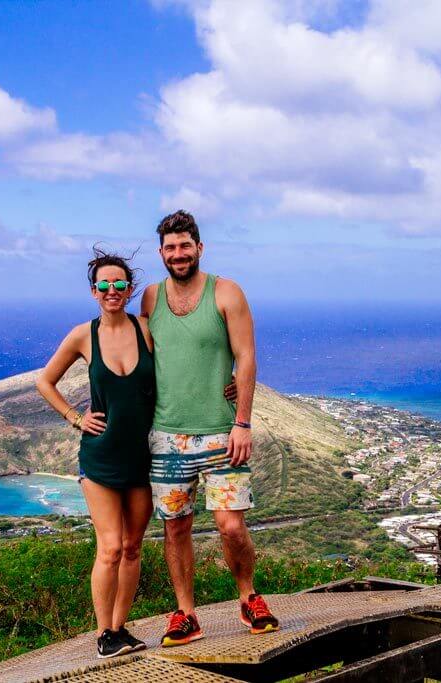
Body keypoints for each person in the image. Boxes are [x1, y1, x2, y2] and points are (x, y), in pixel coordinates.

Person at [140, 210, 280, 647]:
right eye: (170, 247)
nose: (178, 254)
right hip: (166, 434)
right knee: (175, 526)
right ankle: (185, 614)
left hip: (222, 431)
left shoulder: (226, 292)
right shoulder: (150, 298)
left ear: (200, 248)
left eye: (185, 246)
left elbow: (247, 358)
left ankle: (249, 596)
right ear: (161, 252)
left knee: (231, 526)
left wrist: (242, 422)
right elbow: (140, 359)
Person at [36, 249, 155, 659]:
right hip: (100, 457)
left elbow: (182, 367)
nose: (112, 290)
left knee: (134, 545)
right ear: (93, 291)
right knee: (110, 547)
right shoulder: (82, 335)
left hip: (139, 457)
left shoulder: (146, 329)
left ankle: (121, 628)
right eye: (104, 285)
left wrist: (226, 385)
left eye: (119, 284)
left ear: (130, 288)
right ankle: (104, 634)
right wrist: (74, 417)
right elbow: (45, 381)